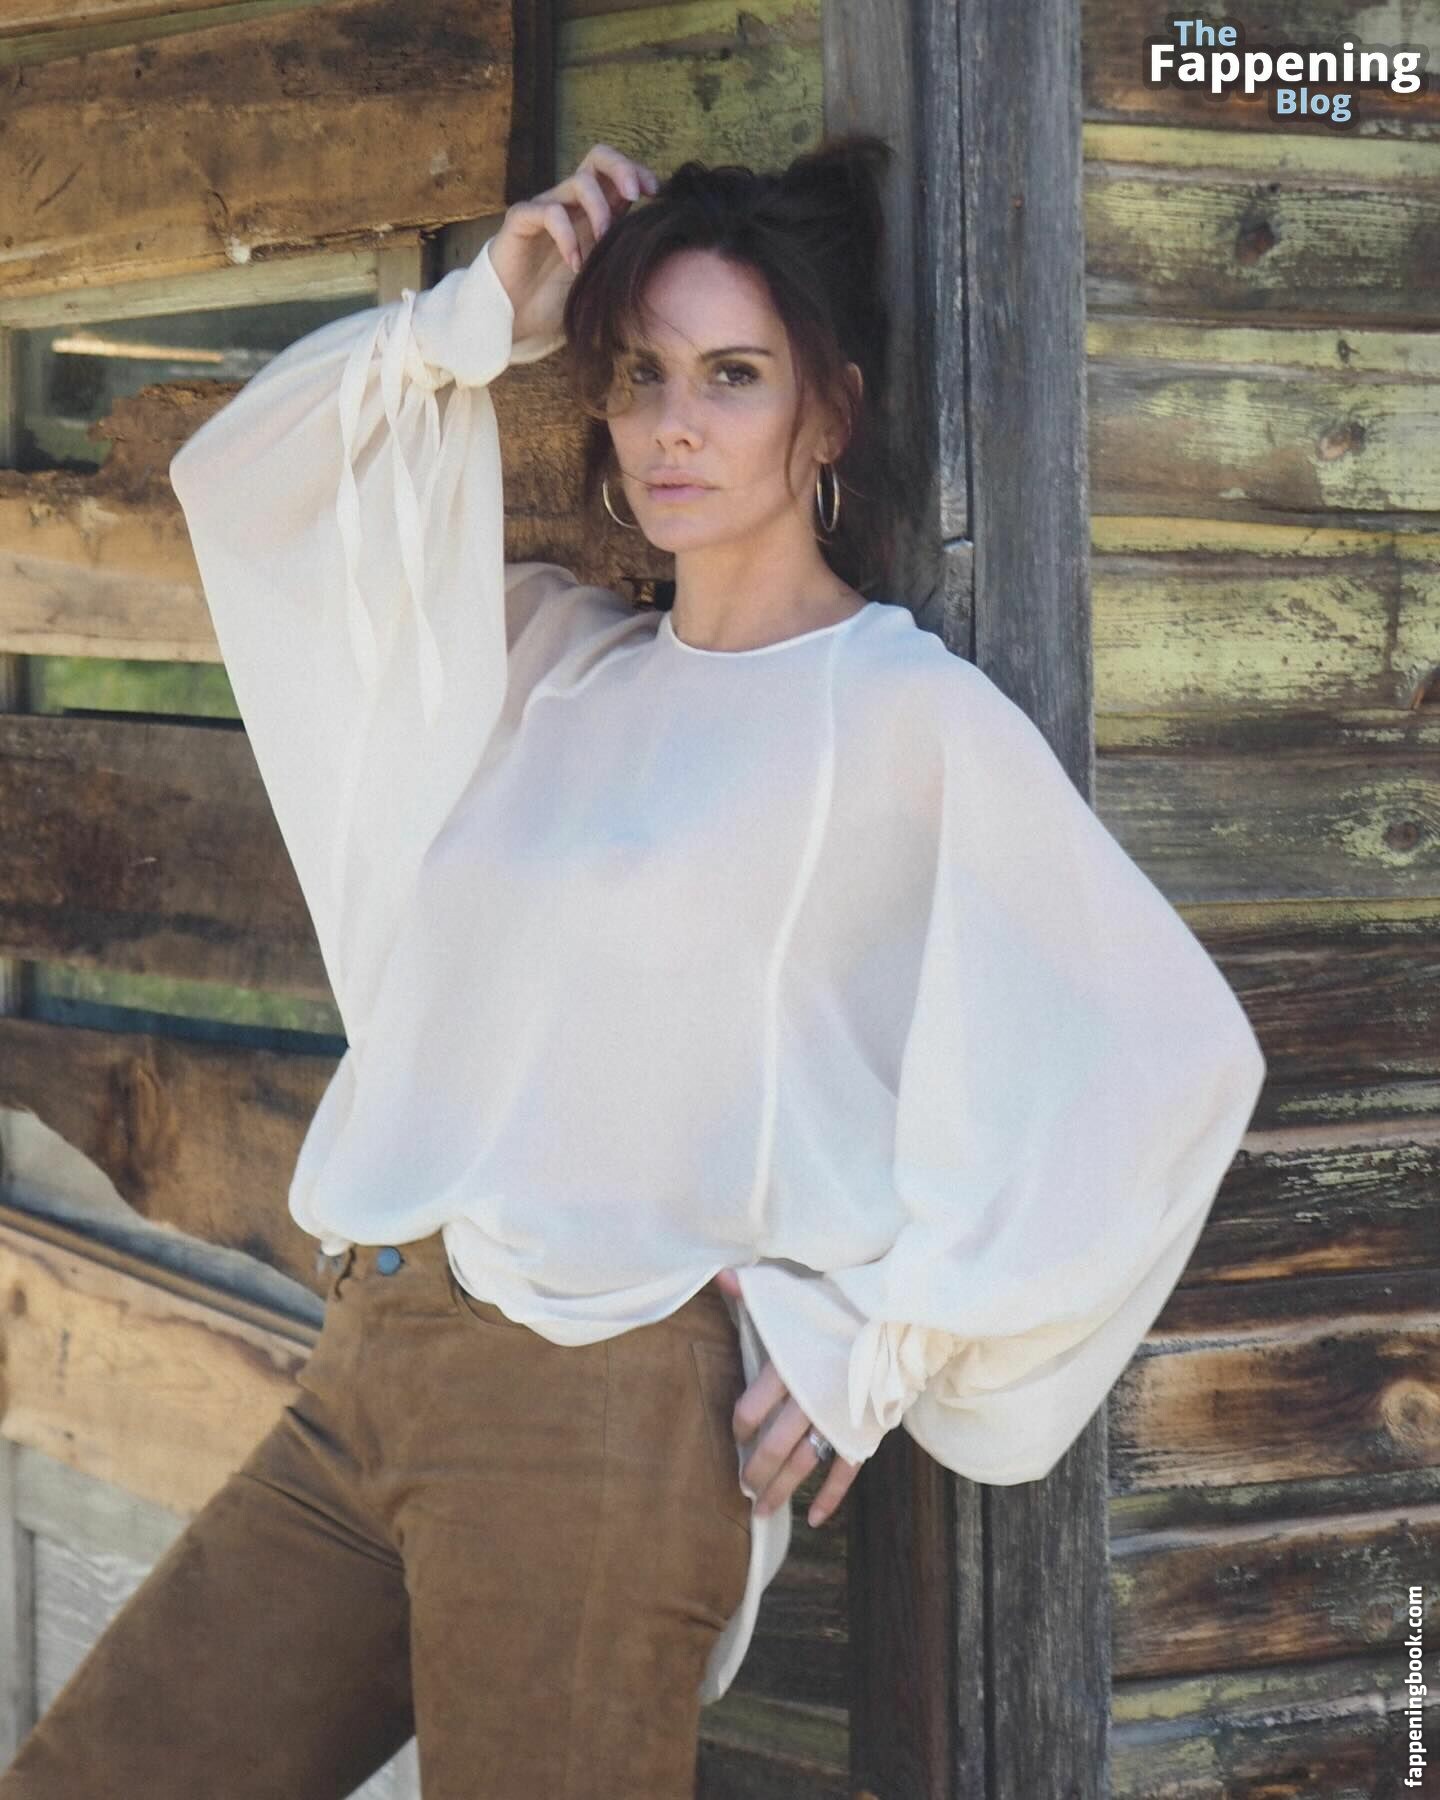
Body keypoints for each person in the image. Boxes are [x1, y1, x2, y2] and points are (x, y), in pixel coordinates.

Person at [0, 136, 1267, 1798]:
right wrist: (484, 311)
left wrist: (884, 1338)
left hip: (598, 1416)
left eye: (733, 377)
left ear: (831, 414)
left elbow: (1170, 1055)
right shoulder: (548, 661)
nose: (674, 422)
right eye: (641, 373)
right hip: (369, 1362)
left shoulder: (896, 714)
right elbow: (248, 483)